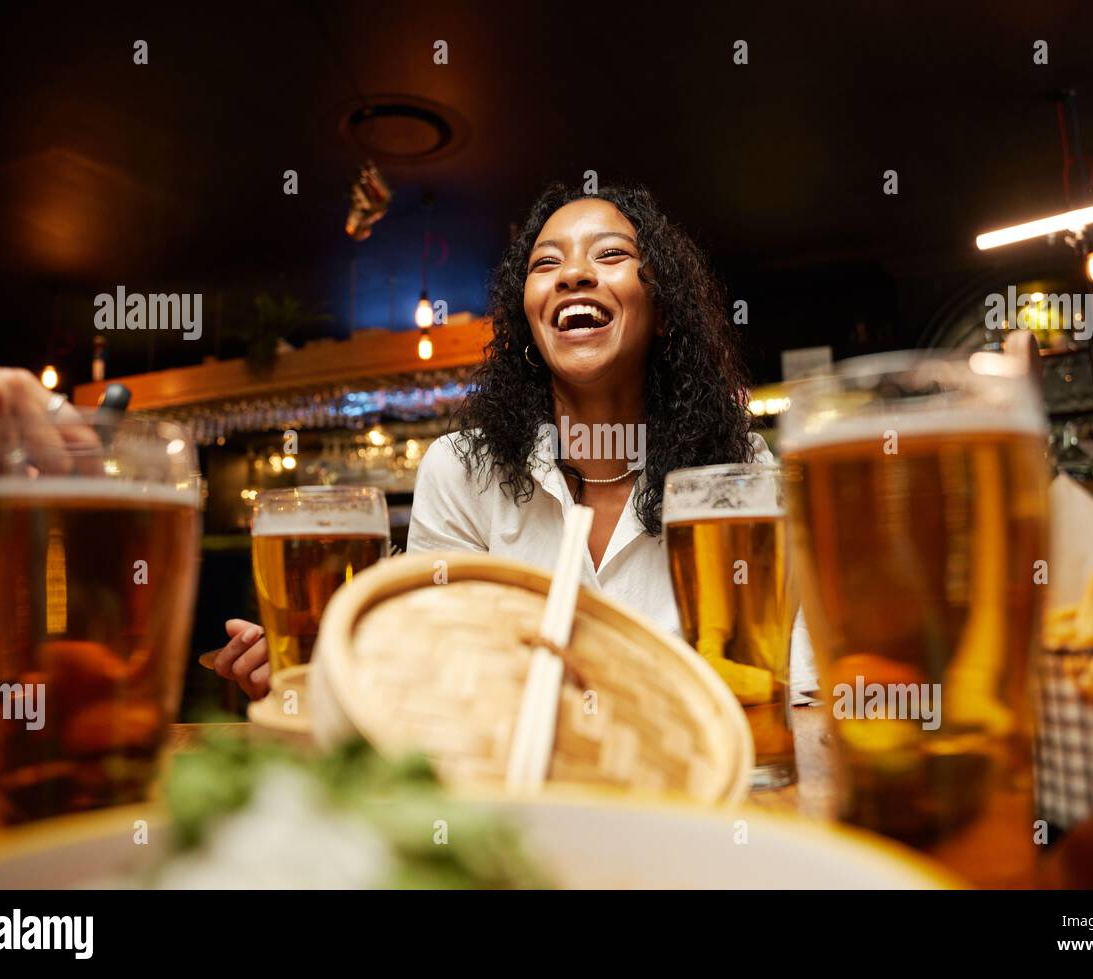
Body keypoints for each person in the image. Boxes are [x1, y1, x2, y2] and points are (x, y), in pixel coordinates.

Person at [211, 181, 809, 699]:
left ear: (664, 308)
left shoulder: (736, 472)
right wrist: (322, 672)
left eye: (611, 254)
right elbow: (431, 673)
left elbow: (790, 676)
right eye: (546, 263)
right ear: (528, 318)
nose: (574, 273)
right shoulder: (460, 472)